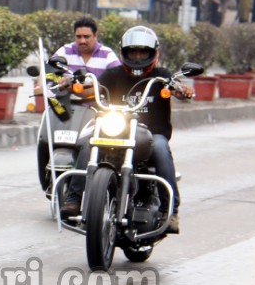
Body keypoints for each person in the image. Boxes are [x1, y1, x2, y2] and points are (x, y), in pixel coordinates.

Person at [59, 27, 194, 234]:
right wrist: (71, 83)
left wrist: (182, 90)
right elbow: (92, 87)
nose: (138, 57)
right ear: (124, 52)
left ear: (153, 53)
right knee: (89, 141)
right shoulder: (113, 74)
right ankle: (74, 199)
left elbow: (179, 89)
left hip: (149, 135)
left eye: (143, 52)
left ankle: (171, 210)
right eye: (133, 52)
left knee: (160, 147)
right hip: (115, 130)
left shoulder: (161, 76)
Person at [51, 16, 121, 74]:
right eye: (78, 37)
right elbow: (48, 74)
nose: (82, 41)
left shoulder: (107, 54)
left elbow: (119, 77)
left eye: (86, 37)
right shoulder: (65, 51)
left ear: (95, 35)